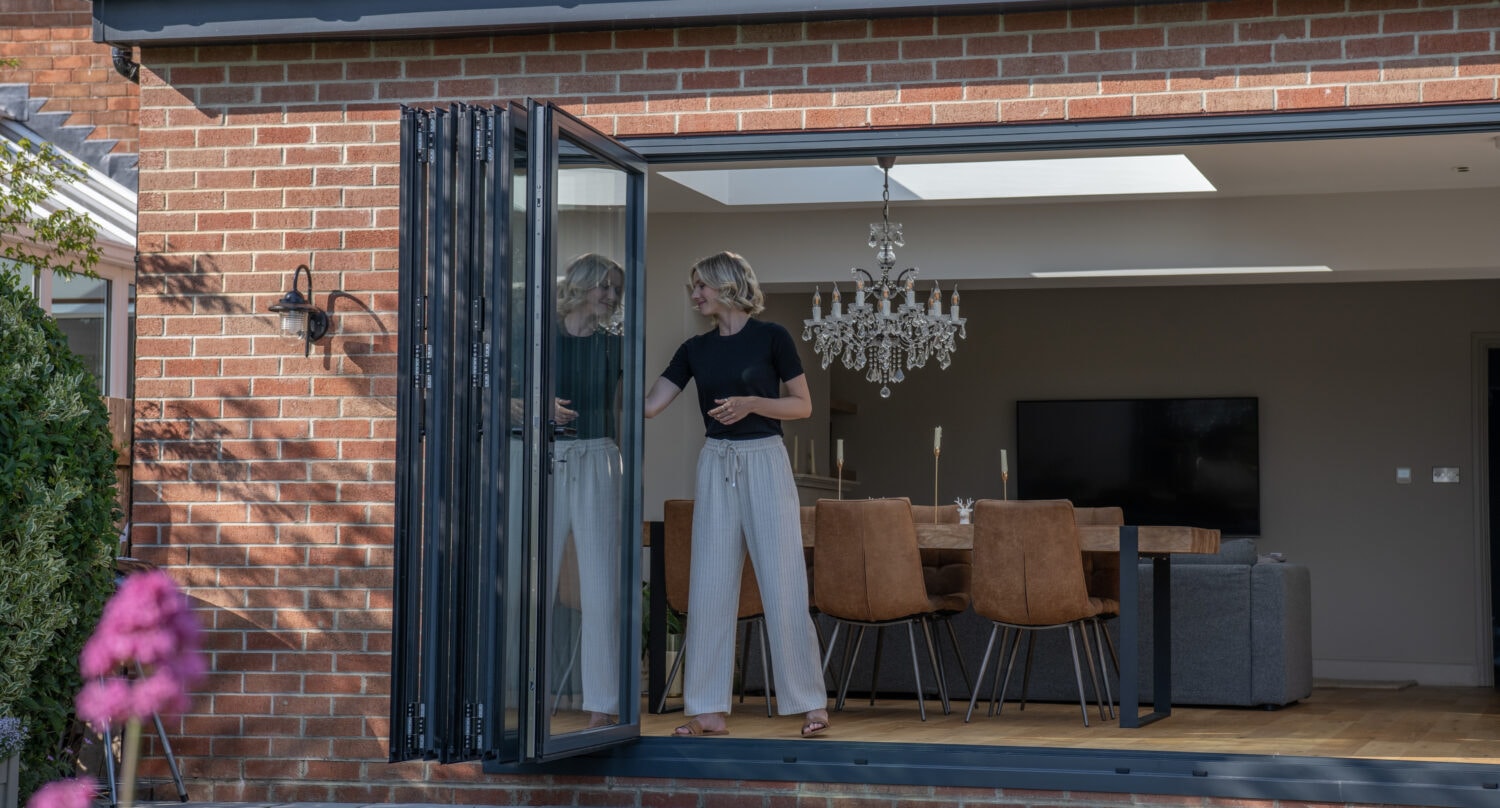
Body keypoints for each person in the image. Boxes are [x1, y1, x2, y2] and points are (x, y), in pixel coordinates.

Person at [643, 250, 831, 738]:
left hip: (765, 459)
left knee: (784, 582)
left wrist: (751, 404)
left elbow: (803, 406)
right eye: (693, 287)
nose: (695, 295)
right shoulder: (694, 349)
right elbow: (651, 406)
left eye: (701, 286)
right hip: (716, 463)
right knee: (709, 586)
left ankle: (810, 703)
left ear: (727, 285)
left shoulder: (773, 337)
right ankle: (707, 709)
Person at [550, 253, 625, 730]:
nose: (612, 296)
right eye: (604, 286)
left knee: (602, 590)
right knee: (531, 585)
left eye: (616, 289)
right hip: (545, 457)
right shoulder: (538, 338)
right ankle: (525, 700)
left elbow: (623, 411)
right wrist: (532, 406)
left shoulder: (614, 346)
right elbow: (496, 395)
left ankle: (602, 704)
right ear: (580, 286)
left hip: (600, 456)